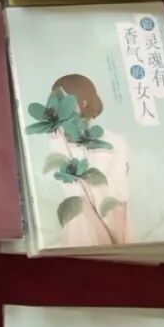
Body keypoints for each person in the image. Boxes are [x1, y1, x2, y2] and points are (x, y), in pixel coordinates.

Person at [50, 74, 131, 248]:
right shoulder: (57, 142)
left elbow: (119, 196)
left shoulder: (114, 143)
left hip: (109, 223)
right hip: (77, 224)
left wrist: (119, 240)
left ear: (83, 102)